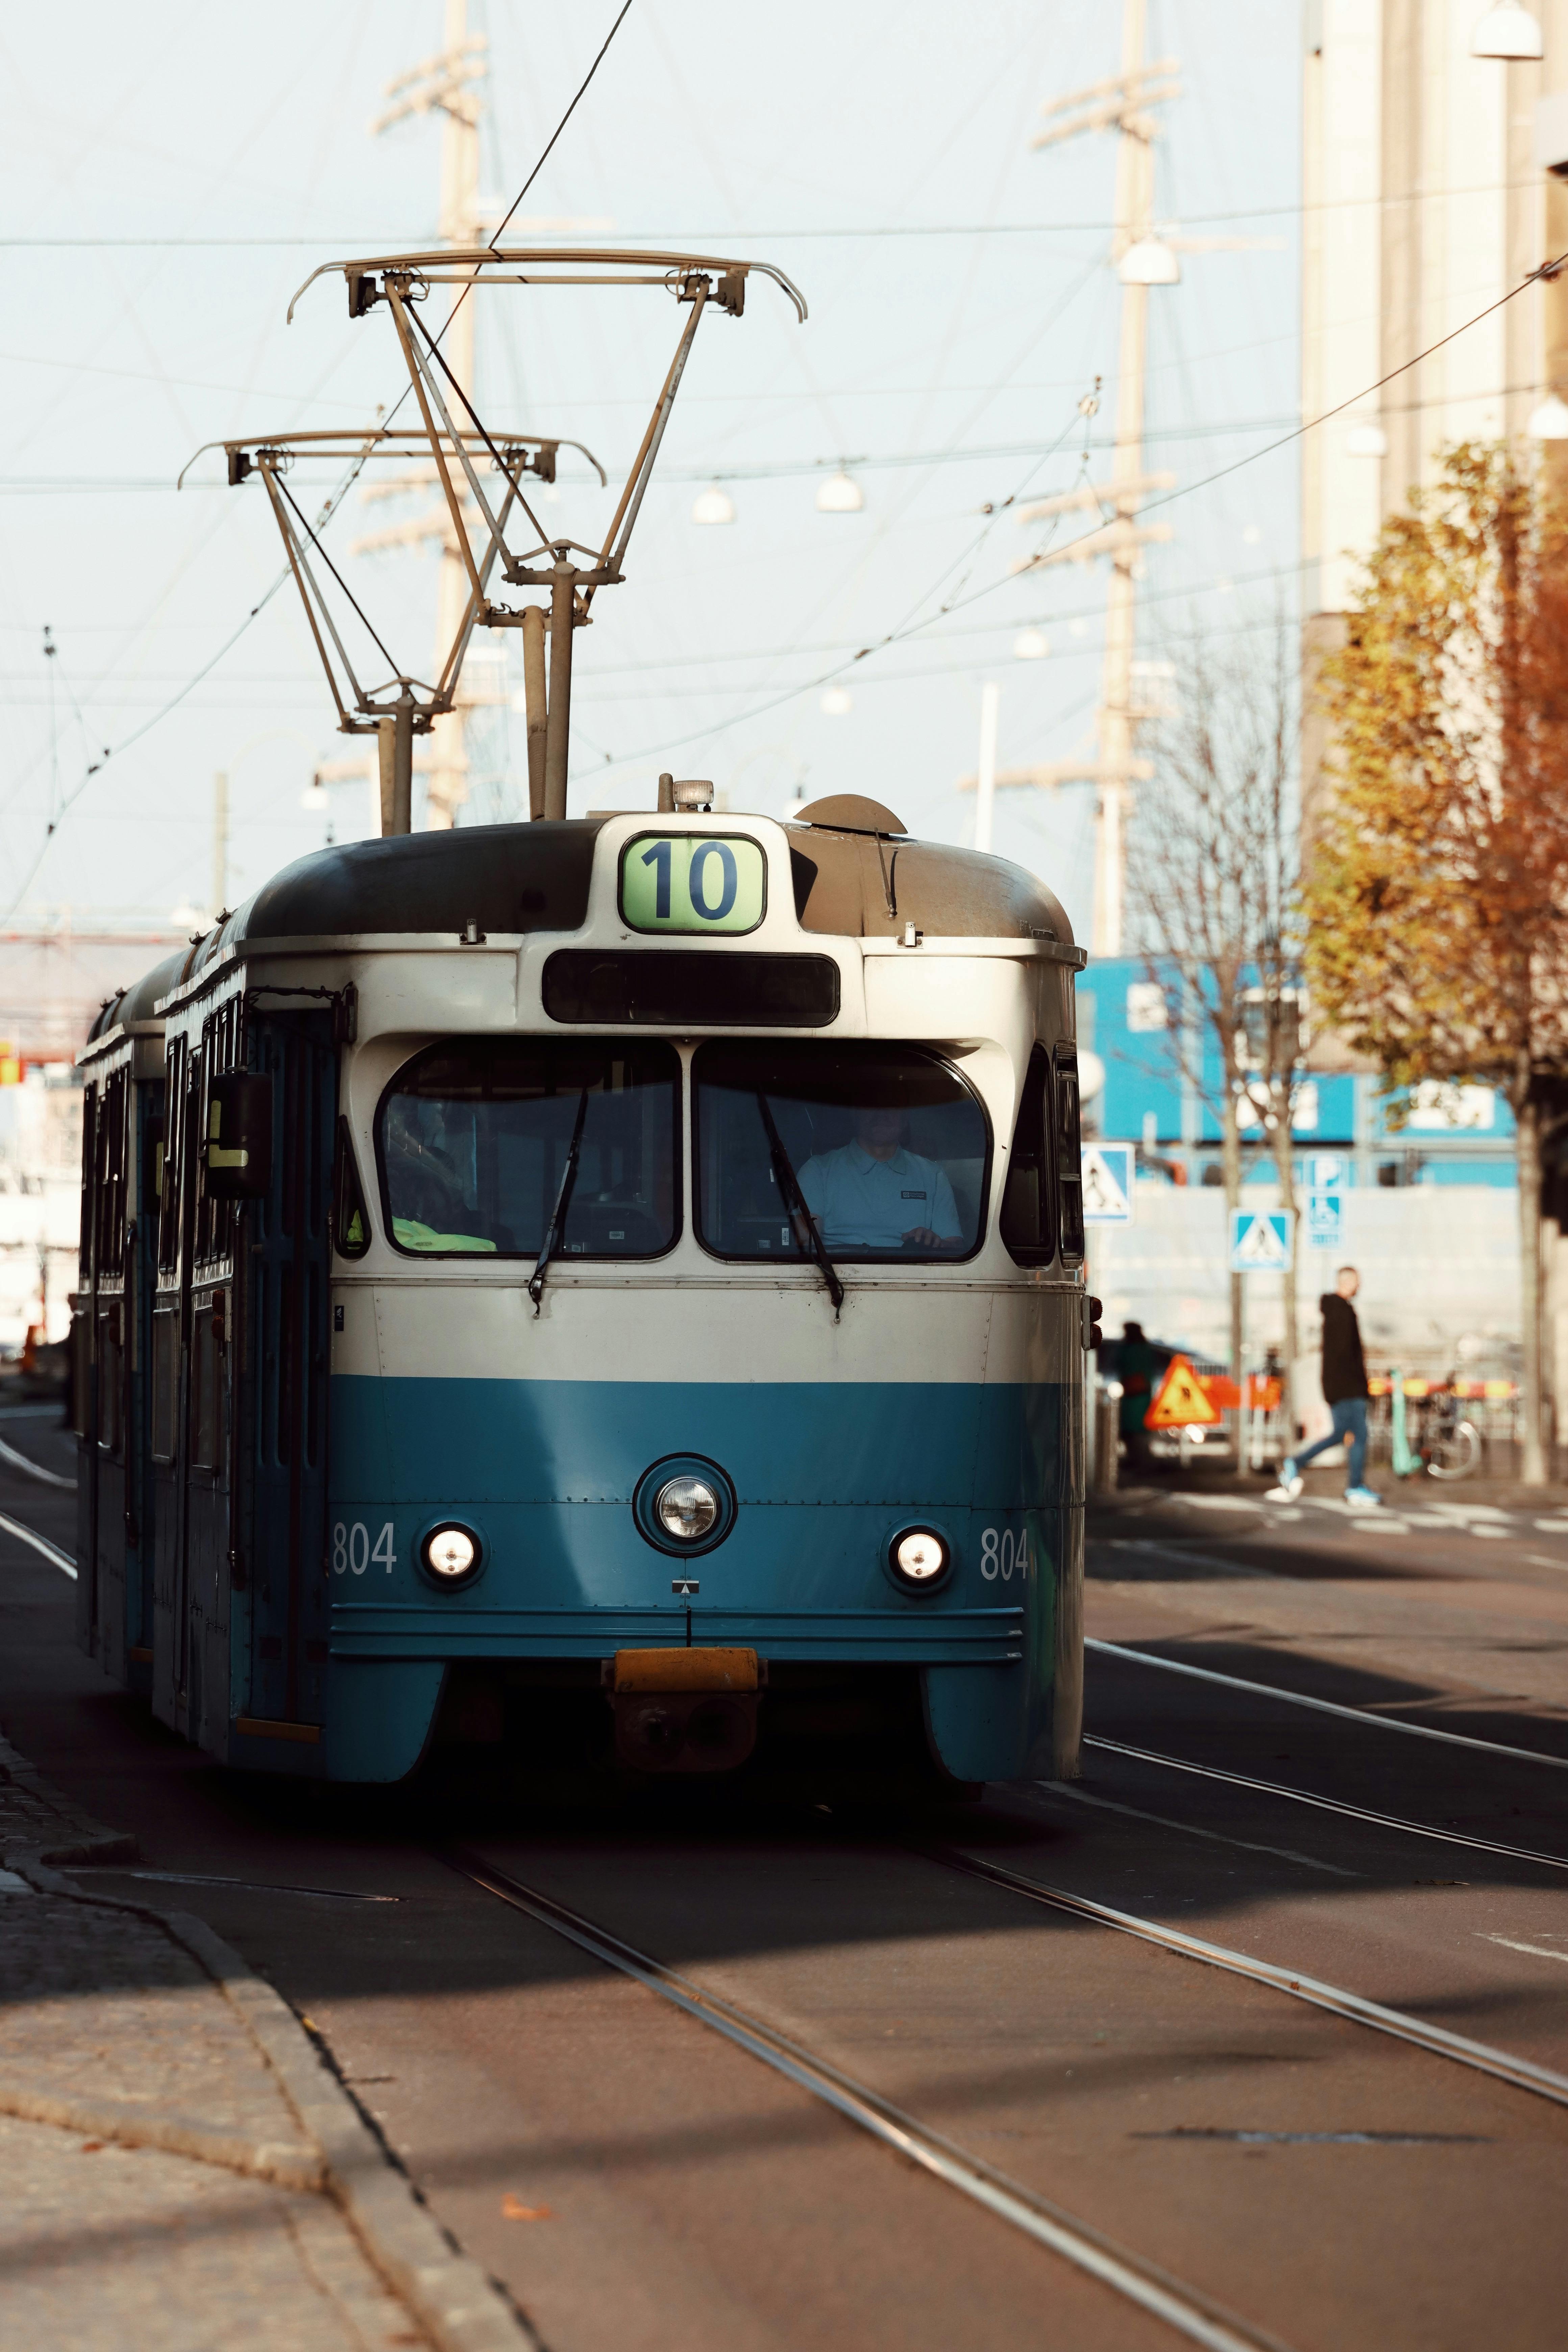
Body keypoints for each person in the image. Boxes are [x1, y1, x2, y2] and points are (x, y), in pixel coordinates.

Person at [1269, 1265, 1381, 1507]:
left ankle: (1295, 1464)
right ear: (1348, 1282)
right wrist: (1361, 1386)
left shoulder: (1334, 1311)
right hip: (1348, 1387)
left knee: (1340, 1434)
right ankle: (1355, 1488)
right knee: (1360, 1435)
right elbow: (1345, 1355)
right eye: (1358, 1282)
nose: (1360, 1287)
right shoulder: (1343, 1312)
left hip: (1337, 1386)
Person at [797, 1105, 963, 1252]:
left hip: (913, 1279)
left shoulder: (932, 1174)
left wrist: (934, 1243)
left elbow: (955, 1247)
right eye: (872, 1104)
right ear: (855, 1114)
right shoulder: (818, 1170)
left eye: (891, 1106)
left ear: (905, 1118)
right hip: (835, 1277)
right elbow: (806, 1241)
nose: (882, 1114)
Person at [1117, 1321, 1156, 1476]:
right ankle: (1143, 1463)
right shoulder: (1145, 1349)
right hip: (1143, 1395)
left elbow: (1123, 1367)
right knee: (1140, 1431)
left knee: (1132, 1431)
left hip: (1132, 1395)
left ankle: (1139, 1463)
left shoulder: (1129, 1350)